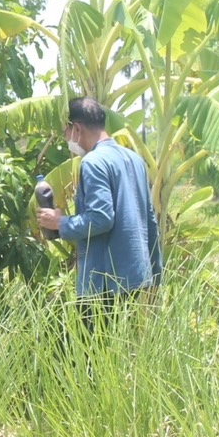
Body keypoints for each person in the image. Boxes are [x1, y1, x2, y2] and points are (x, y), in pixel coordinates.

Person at [36, 97, 160, 311]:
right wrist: (155, 273)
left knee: (93, 344)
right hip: (136, 276)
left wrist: (60, 223)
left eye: (66, 133)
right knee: (123, 343)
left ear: (76, 128)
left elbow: (101, 218)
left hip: (105, 281)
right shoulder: (135, 160)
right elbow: (149, 219)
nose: (67, 139)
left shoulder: (93, 163)